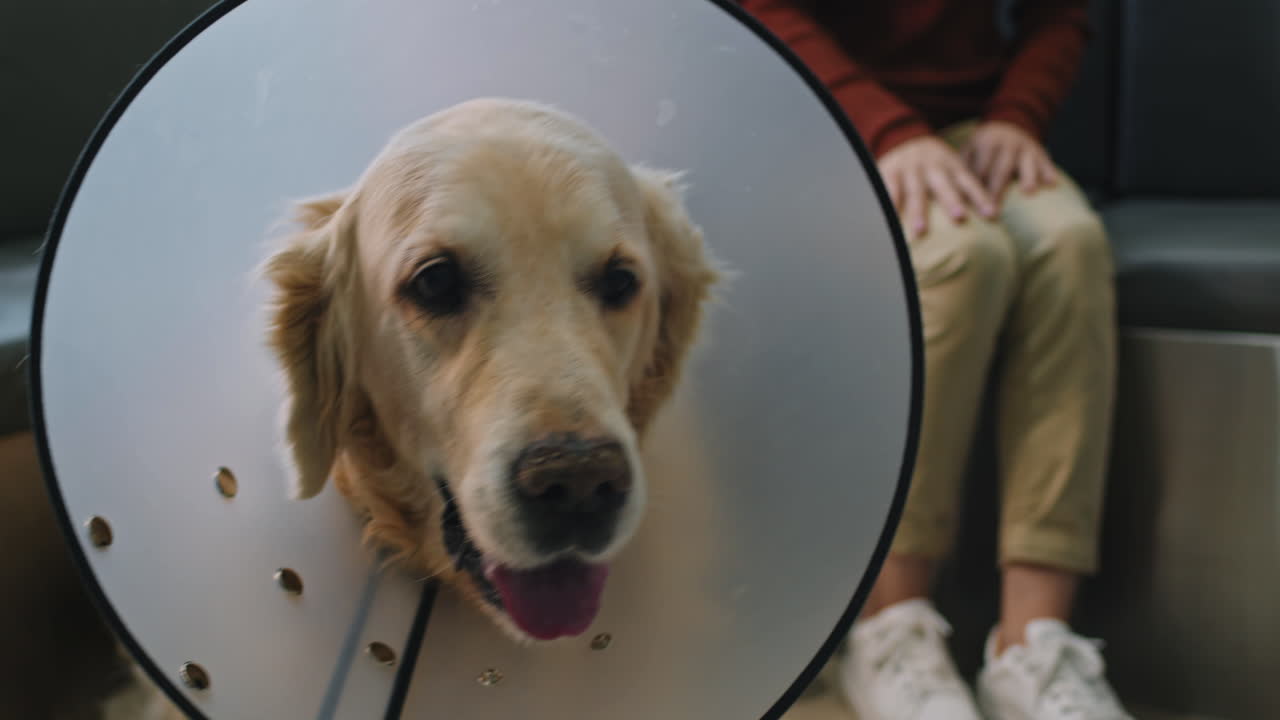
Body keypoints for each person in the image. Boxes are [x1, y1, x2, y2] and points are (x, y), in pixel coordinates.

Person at [739, 2, 1131, 719]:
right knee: (962, 256)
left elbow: (1061, 13)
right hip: (817, 124)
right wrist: (888, 132)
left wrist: (1015, 119)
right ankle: (889, 628)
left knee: (1071, 247)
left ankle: (1033, 646)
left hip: (972, 131)